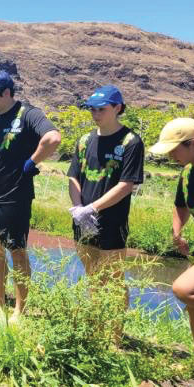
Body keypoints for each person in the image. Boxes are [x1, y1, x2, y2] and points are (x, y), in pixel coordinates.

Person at [0, 70, 61, 322]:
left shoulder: (29, 114)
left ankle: (20, 309)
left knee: (17, 251)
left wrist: (32, 161)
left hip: (15, 197)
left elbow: (53, 138)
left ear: (6, 92)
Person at [67, 86, 144, 307]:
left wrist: (92, 209)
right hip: (82, 221)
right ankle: (97, 328)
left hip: (112, 222)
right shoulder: (84, 140)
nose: (96, 114)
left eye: (101, 109)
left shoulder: (130, 141)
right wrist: (78, 209)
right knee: (93, 276)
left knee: (113, 281)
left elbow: (126, 185)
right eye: (92, 110)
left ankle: (114, 338)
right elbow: (73, 177)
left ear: (117, 108)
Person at [148, 118, 194, 358]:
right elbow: (181, 205)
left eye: (174, 149)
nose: (170, 156)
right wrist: (177, 231)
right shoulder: (188, 173)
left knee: (184, 290)